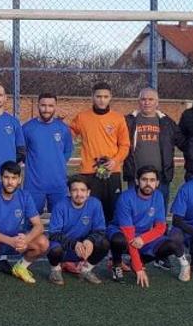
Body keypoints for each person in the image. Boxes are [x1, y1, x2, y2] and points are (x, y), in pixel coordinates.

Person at [108, 166, 191, 287]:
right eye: (144, 179)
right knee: (118, 240)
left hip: (142, 235)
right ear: (137, 181)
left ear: (157, 183)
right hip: (123, 233)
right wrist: (139, 268)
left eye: (152, 180)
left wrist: (143, 239)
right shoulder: (125, 198)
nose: (148, 183)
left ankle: (138, 261)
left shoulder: (158, 196)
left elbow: (160, 227)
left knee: (172, 244)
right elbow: (129, 235)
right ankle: (116, 264)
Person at [0, 161, 49, 286]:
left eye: (14, 178)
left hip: (18, 242)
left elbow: (39, 225)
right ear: (0, 178)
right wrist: (10, 240)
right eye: (6, 177)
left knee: (43, 242)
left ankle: (21, 267)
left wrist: (26, 239)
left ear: (19, 180)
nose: (10, 182)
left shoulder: (25, 196)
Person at [70, 82, 130, 222]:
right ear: (92, 97)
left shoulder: (118, 118)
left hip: (111, 171)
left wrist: (115, 160)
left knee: (112, 210)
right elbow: (69, 134)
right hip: (88, 172)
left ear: (110, 98)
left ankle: (109, 240)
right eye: (98, 96)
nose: (102, 100)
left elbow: (125, 145)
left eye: (105, 96)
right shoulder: (82, 117)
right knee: (89, 213)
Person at [123, 87, 183, 210]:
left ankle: (160, 230)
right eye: (143, 99)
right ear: (138, 101)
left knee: (159, 210)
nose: (147, 102)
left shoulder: (167, 122)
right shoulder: (128, 121)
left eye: (151, 99)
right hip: (135, 175)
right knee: (135, 209)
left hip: (161, 176)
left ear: (157, 102)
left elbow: (182, 142)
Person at [46, 176, 108, 286]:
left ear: (88, 192)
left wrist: (90, 240)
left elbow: (100, 230)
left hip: (84, 249)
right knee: (55, 249)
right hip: (65, 248)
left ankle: (86, 270)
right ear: (69, 192)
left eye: (83, 190)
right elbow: (53, 234)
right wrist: (73, 244)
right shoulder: (60, 206)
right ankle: (55, 270)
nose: (79, 194)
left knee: (104, 243)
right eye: (75, 190)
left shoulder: (95, 204)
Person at [22, 93, 73, 214]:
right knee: (30, 220)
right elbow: (22, 152)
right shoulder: (27, 128)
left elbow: (67, 151)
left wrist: (57, 164)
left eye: (50, 106)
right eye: (43, 105)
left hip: (58, 184)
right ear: (38, 106)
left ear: (55, 107)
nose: (46, 109)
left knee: (60, 221)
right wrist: (35, 164)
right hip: (34, 185)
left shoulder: (63, 128)